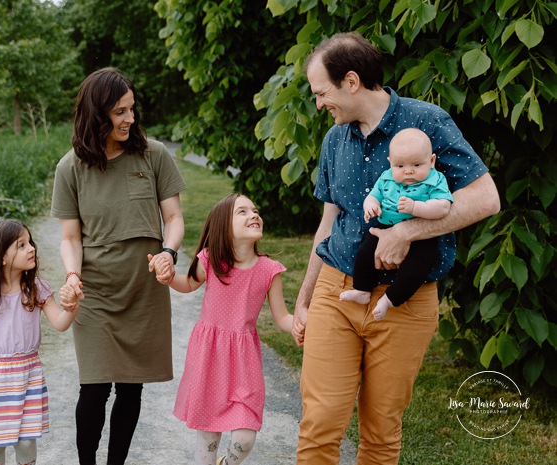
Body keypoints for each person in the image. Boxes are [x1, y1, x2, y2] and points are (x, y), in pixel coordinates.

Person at [293, 32, 500, 464]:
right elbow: (328, 223)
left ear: (351, 81)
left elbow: (485, 198)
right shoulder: (334, 140)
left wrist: (407, 231)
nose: (319, 104)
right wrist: (305, 298)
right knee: (319, 423)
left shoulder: (428, 122)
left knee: (381, 430)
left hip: (406, 300)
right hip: (336, 289)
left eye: (321, 93)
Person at [51, 67, 186, 465]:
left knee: (131, 389)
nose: (130, 118)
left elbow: (174, 218)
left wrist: (170, 252)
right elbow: (70, 238)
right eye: (119, 112)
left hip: (143, 290)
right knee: (94, 388)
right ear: (96, 114)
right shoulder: (70, 167)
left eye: (132, 109)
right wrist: (73, 276)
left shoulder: (154, 154)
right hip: (95, 293)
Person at [151, 193, 303, 465]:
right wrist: (170, 277)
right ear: (223, 226)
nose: (254, 215)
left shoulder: (269, 270)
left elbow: (282, 317)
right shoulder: (210, 260)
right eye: (242, 212)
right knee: (208, 441)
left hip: (245, 363)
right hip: (209, 356)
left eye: (255, 210)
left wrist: (303, 326)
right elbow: (188, 284)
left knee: (244, 438)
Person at [0, 219, 81, 465]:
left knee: (27, 439)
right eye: (21, 245)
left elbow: (60, 323)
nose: (31, 248)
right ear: (1, 257)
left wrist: (72, 307)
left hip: (26, 375)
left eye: (30, 242)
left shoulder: (36, 289)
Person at [339, 128, 453, 321]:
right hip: (385, 226)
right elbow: (373, 196)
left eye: (416, 164)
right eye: (400, 166)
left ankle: (390, 299)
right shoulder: (386, 178)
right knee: (365, 254)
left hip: (422, 236)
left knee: (417, 269)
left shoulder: (435, 179)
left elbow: (443, 207)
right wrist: (371, 206)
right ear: (391, 163)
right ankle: (362, 289)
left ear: (431, 161)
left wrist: (416, 207)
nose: (408, 171)